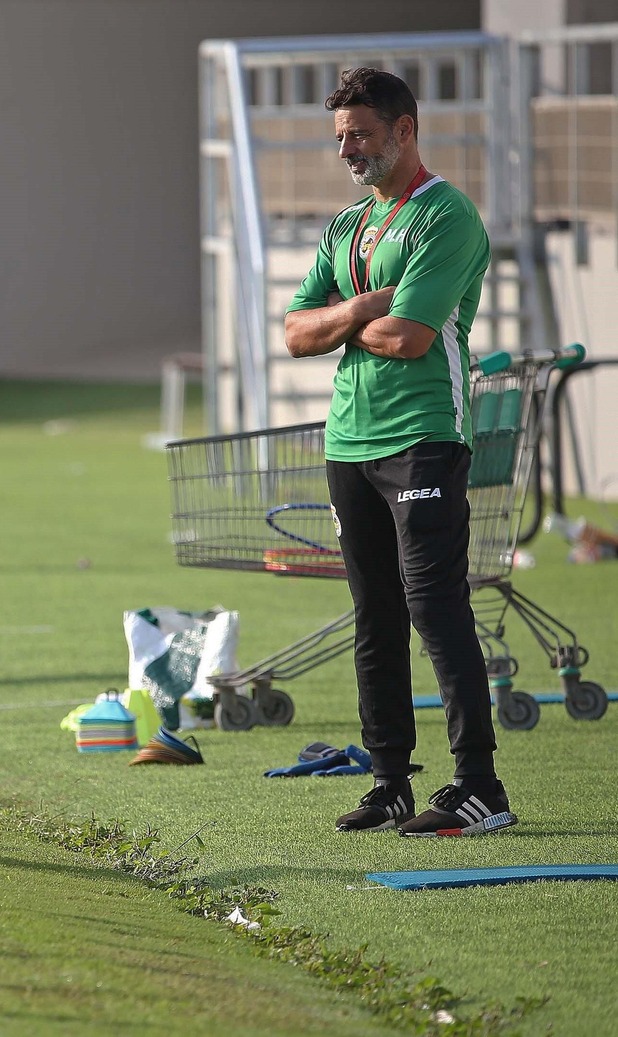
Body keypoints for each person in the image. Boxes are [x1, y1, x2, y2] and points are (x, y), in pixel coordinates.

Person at [283, 68, 515, 837]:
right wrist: (359, 308)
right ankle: (390, 783)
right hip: (347, 443)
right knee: (374, 617)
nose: (348, 148)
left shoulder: (446, 216)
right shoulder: (347, 227)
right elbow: (293, 334)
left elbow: (411, 337)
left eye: (363, 134)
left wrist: (339, 322)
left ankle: (480, 785)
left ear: (406, 130)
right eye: (342, 135)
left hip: (423, 439)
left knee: (434, 608)